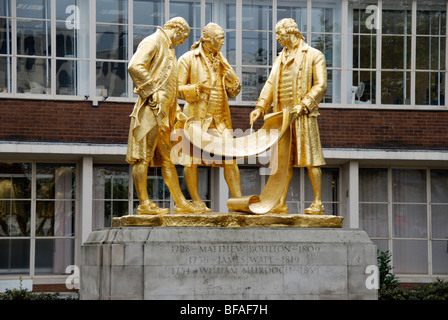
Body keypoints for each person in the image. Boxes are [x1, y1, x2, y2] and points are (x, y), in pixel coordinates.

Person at [249, 18, 327, 214]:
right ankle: (280, 202)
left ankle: (317, 202)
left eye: (279, 34)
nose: (277, 38)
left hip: (303, 116)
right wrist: (260, 106)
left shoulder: (313, 55)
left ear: (290, 31)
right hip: (281, 117)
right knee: (281, 162)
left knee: (312, 159)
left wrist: (305, 104)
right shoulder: (279, 58)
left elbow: (321, 85)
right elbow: (270, 84)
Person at [126, 17, 201, 214]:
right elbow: (135, 66)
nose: (183, 41)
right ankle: (144, 204)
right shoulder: (154, 41)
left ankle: (181, 203)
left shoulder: (169, 49)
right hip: (149, 113)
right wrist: (152, 92)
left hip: (164, 115)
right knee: (142, 158)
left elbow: (170, 87)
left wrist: (176, 111)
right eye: (183, 36)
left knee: (168, 159)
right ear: (176, 29)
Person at [177, 22, 242, 212]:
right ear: (207, 39)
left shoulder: (222, 60)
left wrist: (232, 78)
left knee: (230, 158)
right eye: (219, 38)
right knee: (191, 160)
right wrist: (195, 90)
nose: (222, 42)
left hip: (220, 120)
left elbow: (233, 92)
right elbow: (175, 89)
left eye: (223, 38)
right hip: (196, 118)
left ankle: (238, 202)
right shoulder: (188, 58)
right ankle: (196, 201)